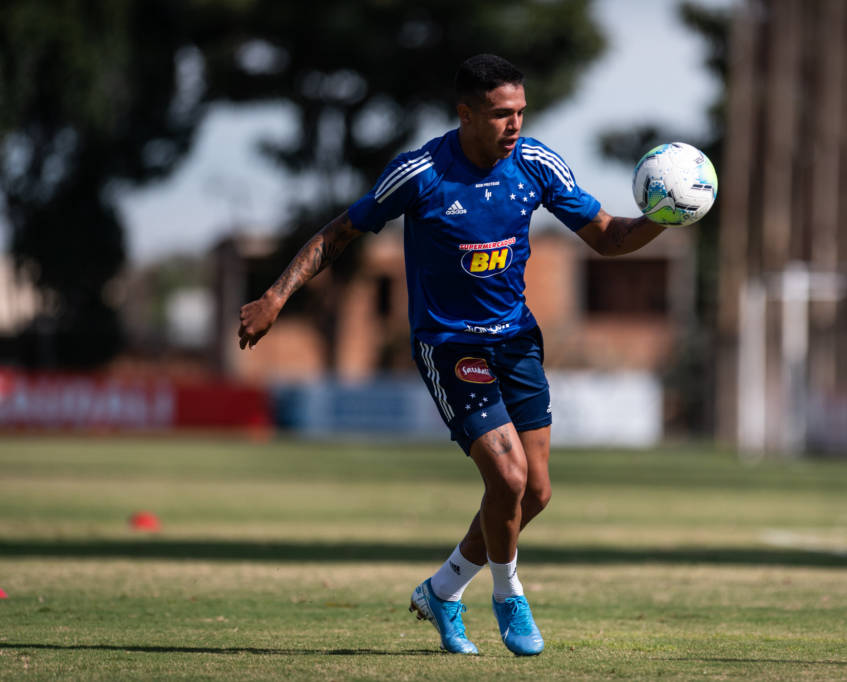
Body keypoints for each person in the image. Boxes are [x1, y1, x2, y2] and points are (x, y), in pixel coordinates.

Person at [238, 54, 666, 656]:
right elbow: (339, 232)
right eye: (500, 114)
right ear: (465, 114)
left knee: (535, 492)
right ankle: (509, 596)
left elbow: (609, 237)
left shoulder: (536, 164)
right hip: (449, 345)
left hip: (516, 341)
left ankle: (443, 590)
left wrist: (663, 217)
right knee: (508, 478)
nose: (514, 125)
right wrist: (276, 296)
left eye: (521, 111)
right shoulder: (419, 173)